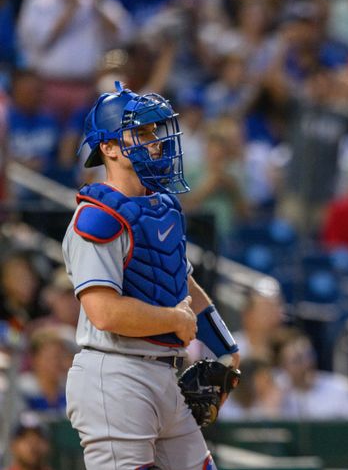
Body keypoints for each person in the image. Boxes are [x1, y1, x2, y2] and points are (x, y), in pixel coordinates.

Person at [62, 82, 240, 469]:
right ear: (108, 147)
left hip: (165, 373)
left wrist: (226, 348)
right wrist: (174, 319)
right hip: (115, 374)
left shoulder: (162, 208)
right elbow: (104, 312)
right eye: (140, 133)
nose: (154, 141)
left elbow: (182, 284)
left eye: (153, 131)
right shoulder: (95, 217)